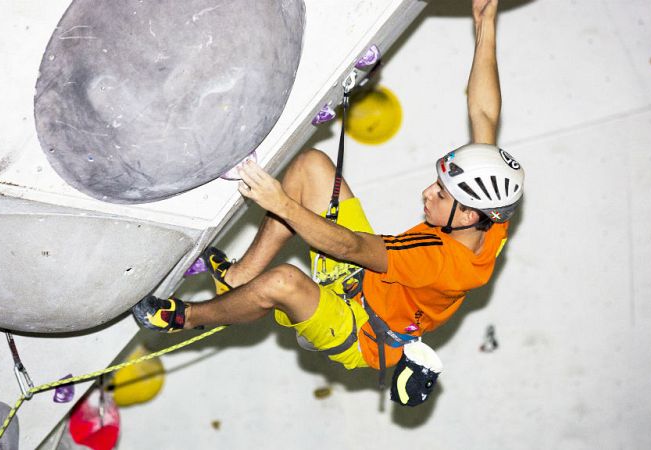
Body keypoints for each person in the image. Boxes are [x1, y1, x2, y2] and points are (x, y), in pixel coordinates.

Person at [132, 0, 523, 404]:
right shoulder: (490, 221)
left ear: (469, 214)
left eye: (440, 194)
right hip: (365, 281)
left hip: (359, 331)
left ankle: (186, 318)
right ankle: (239, 279)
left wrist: (281, 204)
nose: (427, 193)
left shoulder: (438, 261)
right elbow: (483, 113)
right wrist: (486, 23)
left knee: (284, 281)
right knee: (312, 167)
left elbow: (350, 246)